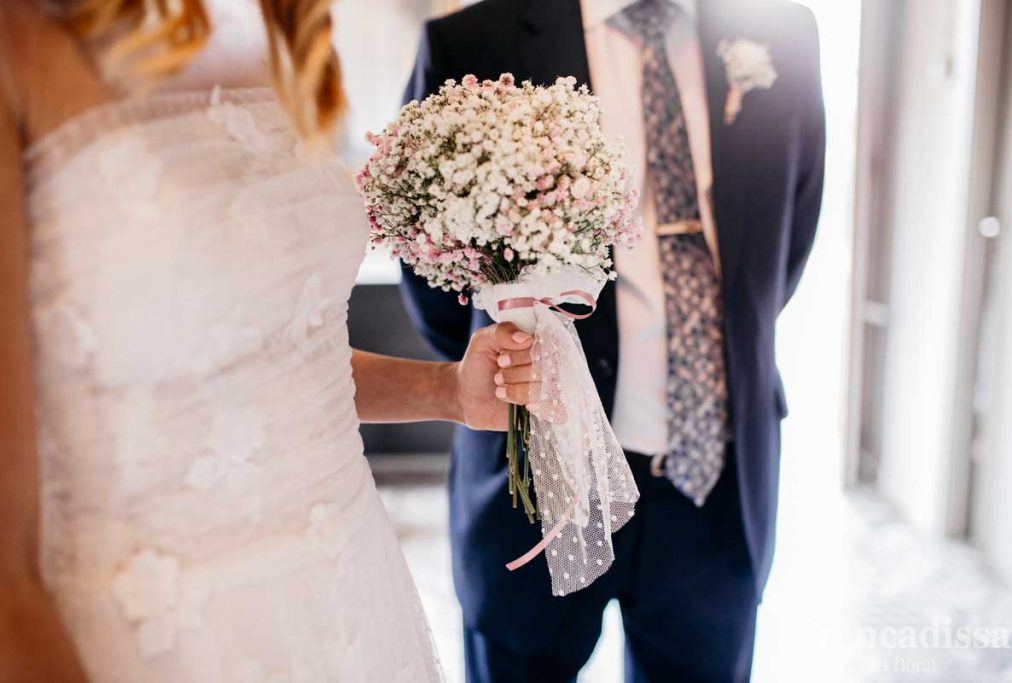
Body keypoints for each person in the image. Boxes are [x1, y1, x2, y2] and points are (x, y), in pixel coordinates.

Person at [0, 1, 537, 680]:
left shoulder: (282, 37)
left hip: (352, 601)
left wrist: (447, 391)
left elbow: (268, 357)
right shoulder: (19, 40)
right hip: (155, 636)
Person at [400, 0, 826, 680]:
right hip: (537, 487)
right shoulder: (472, 42)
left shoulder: (785, 35)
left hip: (712, 479)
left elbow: (781, 253)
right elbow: (436, 285)